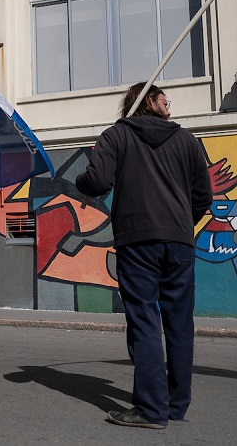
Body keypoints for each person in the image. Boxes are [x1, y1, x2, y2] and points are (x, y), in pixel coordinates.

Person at [76, 82, 212, 429]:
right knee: (179, 323)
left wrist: (82, 179)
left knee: (145, 321)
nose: (170, 104)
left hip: (138, 240)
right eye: (165, 98)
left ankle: (151, 409)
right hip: (179, 241)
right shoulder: (188, 141)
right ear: (150, 100)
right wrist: (182, 223)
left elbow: (98, 181)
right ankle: (175, 404)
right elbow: (203, 196)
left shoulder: (116, 136)